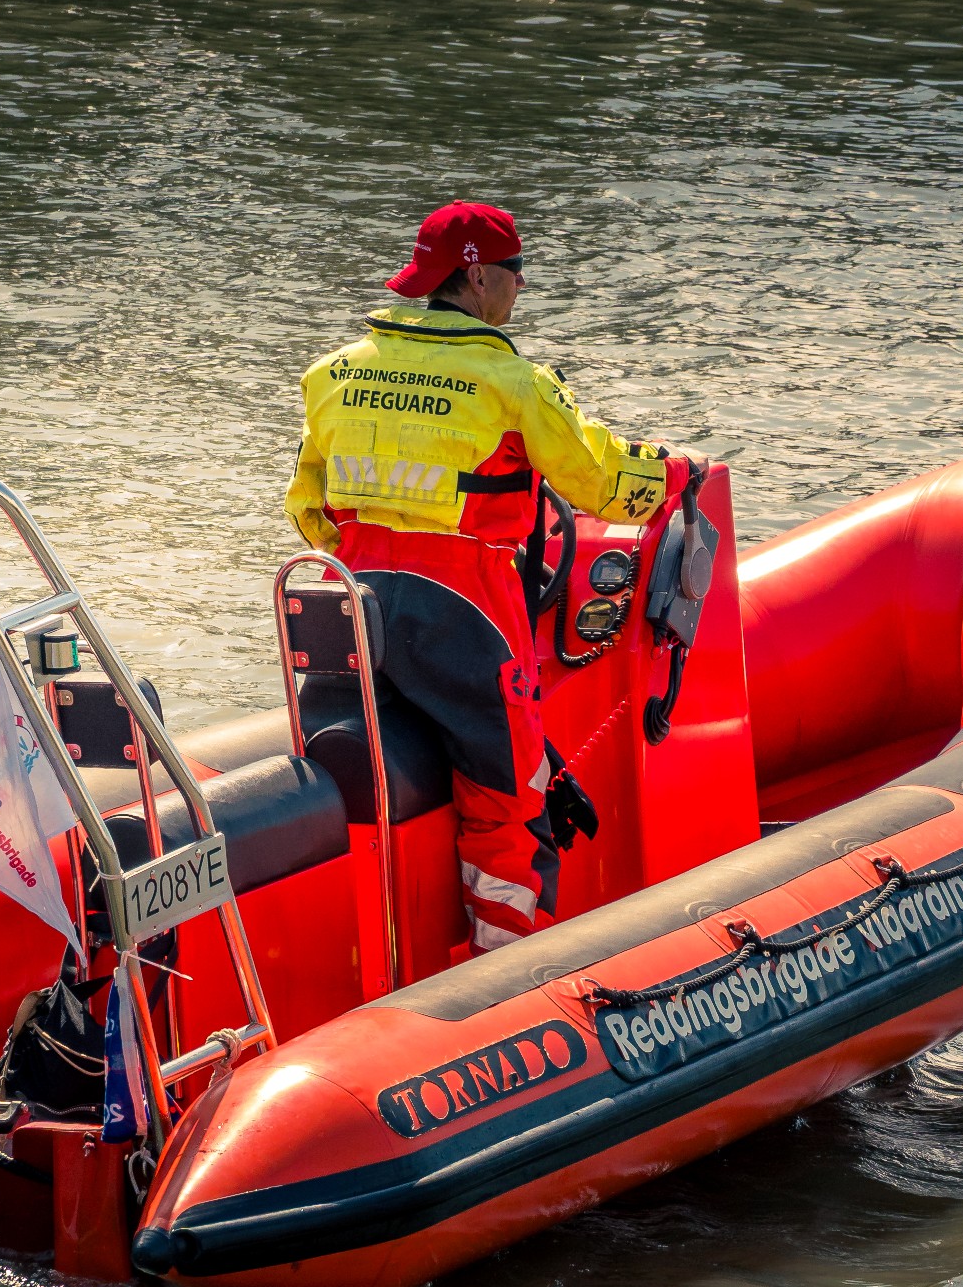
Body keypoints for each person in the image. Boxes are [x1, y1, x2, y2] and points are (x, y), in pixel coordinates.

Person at [286, 202, 673, 950]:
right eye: (517, 271)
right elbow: (595, 482)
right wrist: (670, 474)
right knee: (511, 799)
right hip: (465, 607)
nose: (521, 288)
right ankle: (505, 980)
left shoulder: (333, 374)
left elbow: (308, 508)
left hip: (347, 601)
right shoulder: (512, 380)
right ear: (475, 275)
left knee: (346, 780)